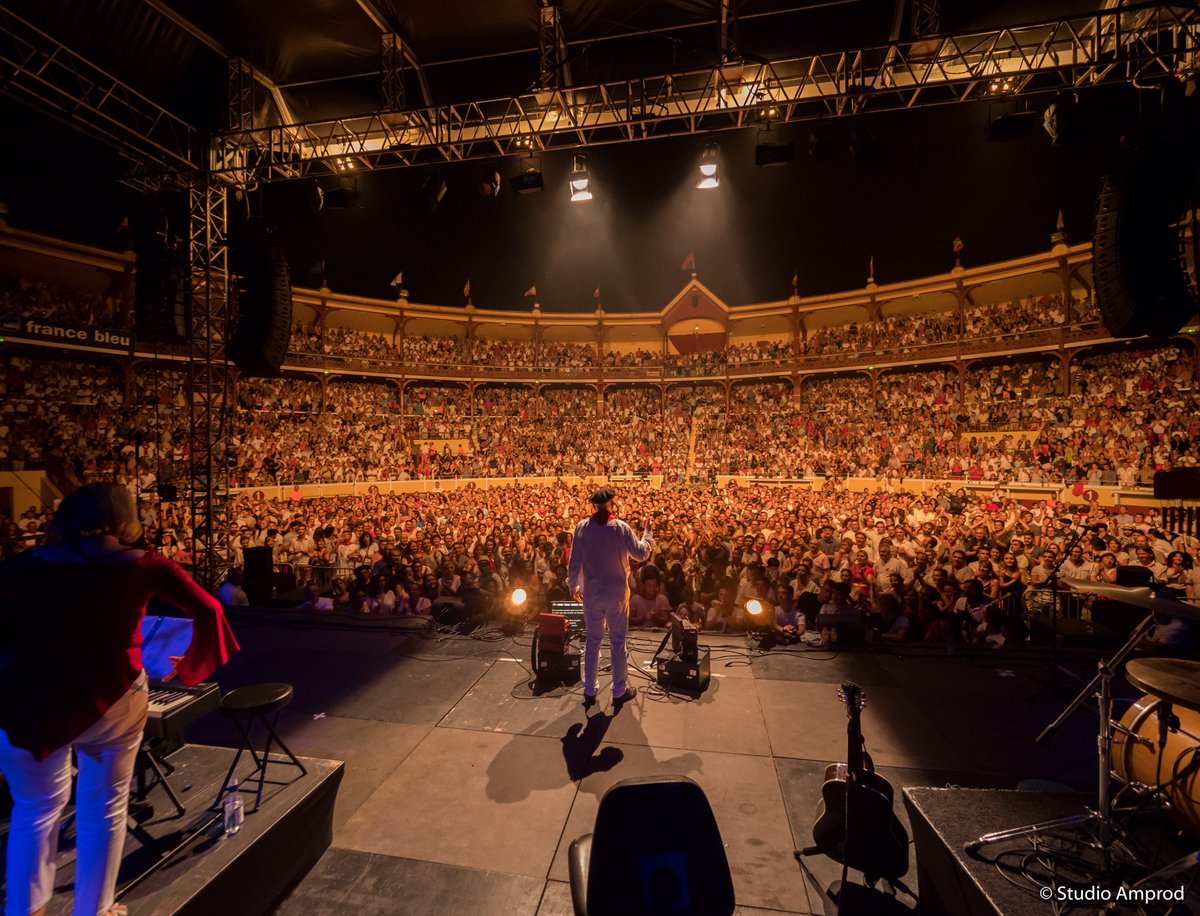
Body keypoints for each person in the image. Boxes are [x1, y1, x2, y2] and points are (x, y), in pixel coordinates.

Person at [0, 483, 239, 916]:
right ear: (126, 515)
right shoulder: (145, 565)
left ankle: (24, 909)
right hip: (115, 694)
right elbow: (209, 609)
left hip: (31, 696)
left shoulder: (25, 564)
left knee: (34, 809)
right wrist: (186, 668)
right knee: (105, 807)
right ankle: (95, 908)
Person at [567, 487, 653, 709]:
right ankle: (618, 691)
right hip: (616, 595)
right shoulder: (620, 528)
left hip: (591, 595)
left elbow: (574, 560)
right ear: (612, 504)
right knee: (617, 642)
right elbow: (641, 554)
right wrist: (647, 535)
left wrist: (573, 586)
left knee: (593, 641)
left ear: (593, 506)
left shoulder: (582, 528)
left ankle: (589, 690)